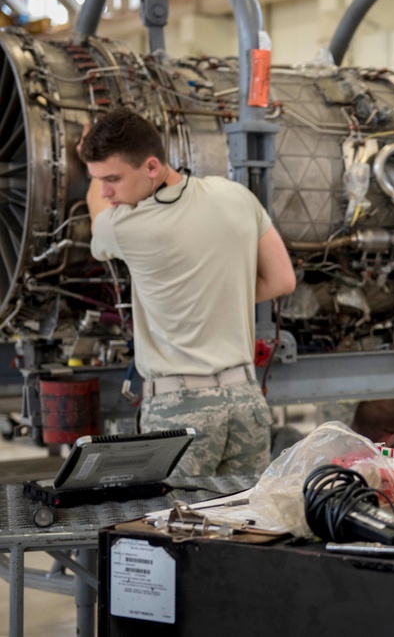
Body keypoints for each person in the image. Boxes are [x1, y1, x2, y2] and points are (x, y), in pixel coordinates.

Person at [80, 108, 297, 476]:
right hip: (246, 404)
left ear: (152, 167)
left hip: (179, 412)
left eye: (113, 178)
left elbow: (96, 210)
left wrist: (85, 142)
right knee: (246, 525)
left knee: (175, 528)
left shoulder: (130, 227)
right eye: (97, 178)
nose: (106, 190)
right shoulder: (236, 196)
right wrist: (218, 298)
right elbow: (282, 281)